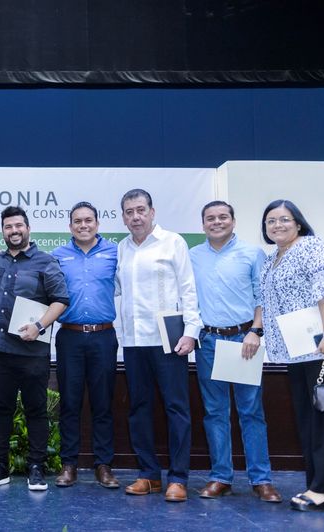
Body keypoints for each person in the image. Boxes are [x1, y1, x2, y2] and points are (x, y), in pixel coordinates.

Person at [259, 199, 324, 512]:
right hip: (297, 351)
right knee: (310, 418)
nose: (277, 225)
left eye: (284, 219)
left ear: (298, 223)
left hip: (323, 346)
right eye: (271, 221)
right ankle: (320, 485)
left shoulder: (311, 246)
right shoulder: (273, 258)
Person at [189, 201, 281, 503]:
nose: (217, 222)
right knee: (215, 413)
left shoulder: (252, 253)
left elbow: (262, 296)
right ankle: (221, 477)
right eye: (210, 218)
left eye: (223, 217)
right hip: (209, 342)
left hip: (244, 340)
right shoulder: (193, 256)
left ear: (233, 221)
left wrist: (256, 331)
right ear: (203, 224)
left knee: (251, 412)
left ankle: (261, 479)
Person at [115, 188, 201, 503]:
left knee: (176, 408)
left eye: (140, 210)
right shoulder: (122, 248)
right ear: (123, 217)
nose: (135, 216)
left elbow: (188, 289)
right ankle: (148, 475)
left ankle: (178, 478)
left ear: (152, 212)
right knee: (139, 409)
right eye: (129, 212)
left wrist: (191, 331)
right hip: (135, 341)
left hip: (169, 340)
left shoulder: (173, 242)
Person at [0, 206, 69, 491]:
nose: (14, 231)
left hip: (33, 353)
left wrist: (39, 326)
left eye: (18, 225)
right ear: (3, 231)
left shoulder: (46, 261)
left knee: (36, 411)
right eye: (8, 227)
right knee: (1, 411)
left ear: (28, 228)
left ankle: (36, 468)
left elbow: (60, 299)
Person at [51, 201, 119, 489]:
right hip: (70, 336)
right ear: (70, 226)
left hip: (104, 336)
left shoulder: (116, 252)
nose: (83, 225)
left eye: (88, 220)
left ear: (97, 223)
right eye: (77, 221)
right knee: (70, 402)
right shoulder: (57, 256)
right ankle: (69, 464)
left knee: (103, 403)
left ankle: (103, 465)